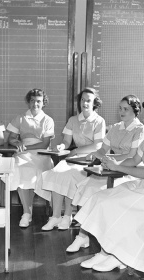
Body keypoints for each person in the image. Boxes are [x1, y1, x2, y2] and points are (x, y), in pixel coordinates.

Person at [74, 100, 144, 276]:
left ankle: (118, 256)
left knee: (119, 205)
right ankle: (106, 252)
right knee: (102, 198)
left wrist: (117, 167)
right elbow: (133, 161)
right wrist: (112, 163)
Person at [67, 94, 144, 252]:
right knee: (88, 187)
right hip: (111, 170)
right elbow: (102, 150)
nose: (121, 112)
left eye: (126, 109)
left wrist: (108, 158)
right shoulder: (116, 128)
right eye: (120, 108)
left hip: (131, 173)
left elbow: (132, 156)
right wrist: (91, 156)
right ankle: (83, 237)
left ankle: (99, 240)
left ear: (135, 111)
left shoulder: (140, 130)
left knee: (101, 193)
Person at [35, 88, 106, 231]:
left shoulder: (99, 121)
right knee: (55, 173)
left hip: (91, 160)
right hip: (74, 158)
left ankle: (67, 216)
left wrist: (75, 151)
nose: (85, 103)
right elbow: (66, 142)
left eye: (88, 100)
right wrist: (62, 146)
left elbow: (98, 145)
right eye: (82, 100)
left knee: (67, 176)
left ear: (94, 103)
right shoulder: (73, 120)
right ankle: (56, 217)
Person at [6, 88, 55, 228]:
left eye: (38, 101)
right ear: (28, 102)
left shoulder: (48, 120)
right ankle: (27, 212)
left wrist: (26, 148)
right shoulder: (20, 118)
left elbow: (45, 143)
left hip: (41, 153)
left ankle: (27, 212)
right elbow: (11, 138)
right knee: (16, 168)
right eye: (32, 101)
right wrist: (18, 143)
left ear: (43, 103)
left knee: (33, 170)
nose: (35, 104)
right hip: (23, 153)